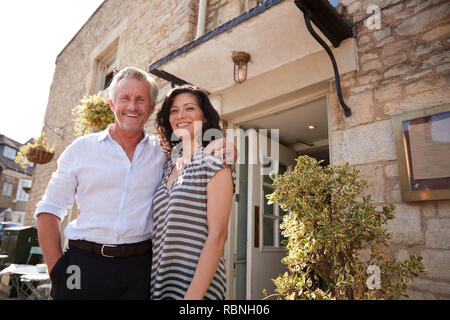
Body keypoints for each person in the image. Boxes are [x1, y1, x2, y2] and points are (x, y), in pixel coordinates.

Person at [35, 67, 236, 300]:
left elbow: (201, 159)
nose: (132, 106)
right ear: (111, 103)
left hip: (139, 270)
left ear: (150, 109)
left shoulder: (162, 155)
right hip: (82, 263)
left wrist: (227, 149)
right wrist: (58, 271)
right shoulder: (80, 150)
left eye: (140, 100)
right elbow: (49, 210)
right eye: (125, 99)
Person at [151, 85, 235, 300]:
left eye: (189, 109)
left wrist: (192, 299)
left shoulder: (214, 159)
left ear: (204, 117)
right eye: (174, 110)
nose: (180, 116)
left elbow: (218, 235)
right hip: (161, 286)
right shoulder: (168, 166)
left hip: (197, 290)